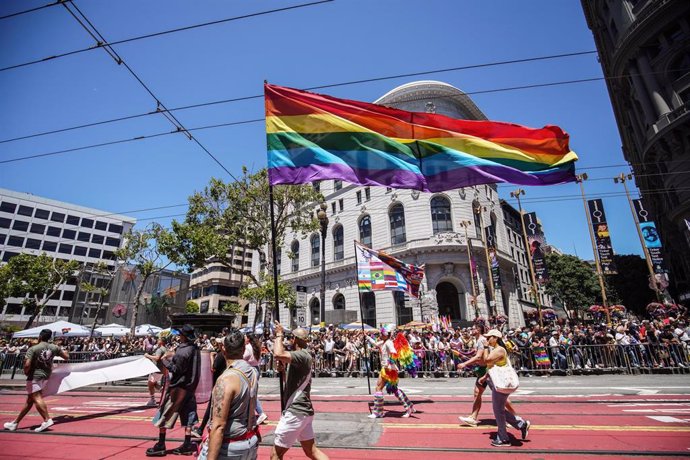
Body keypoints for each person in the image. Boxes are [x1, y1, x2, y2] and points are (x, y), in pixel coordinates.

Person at [198, 328, 260, 460]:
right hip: (249, 442)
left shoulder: (225, 380)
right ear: (243, 350)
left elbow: (219, 426)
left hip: (229, 446)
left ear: (223, 350)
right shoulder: (253, 373)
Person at [271, 321, 328, 460]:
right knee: (311, 452)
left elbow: (278, 353)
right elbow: (291, 383)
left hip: (296, 411)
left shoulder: (302, 355)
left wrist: (279, 334)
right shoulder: (299, 357)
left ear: (295, 339)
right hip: (303, 411)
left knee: (276, 454)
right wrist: (284, 372)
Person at [147, 324, 201, 457]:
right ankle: (187, 444)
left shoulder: (183, 352)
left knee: (165, 414)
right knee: (189, 415)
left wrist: (164, 360)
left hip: (178, 388)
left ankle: (161, 444)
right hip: (190, 387)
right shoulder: (194, 349)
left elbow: (176, 369)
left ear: (183, 336)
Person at [3, 329, 69, 433]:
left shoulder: (33, 349)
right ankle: (15, 423)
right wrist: (61, 347)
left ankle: (47, 419)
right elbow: (66, 357)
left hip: (34, 376)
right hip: (46, 376)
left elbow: (27, 364)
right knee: (30, 400)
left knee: (36, 397)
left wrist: (26, 371)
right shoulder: (54, 347)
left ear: (40, 336)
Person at [457, 322, 519, 427]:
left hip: (487, 370)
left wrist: (464, 364)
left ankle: (515, 418)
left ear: (479, 330)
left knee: (501, 396)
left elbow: (479, 357)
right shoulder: (478, 340)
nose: (471, 330)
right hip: (482, 370)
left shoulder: (481, 340)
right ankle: (473, 417)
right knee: (477, 393)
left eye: (474, 328)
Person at [482, 329, 530, 447]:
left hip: (502, 384)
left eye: (489, 338)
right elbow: (492, 366)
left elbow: (486, 360)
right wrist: (485, 377)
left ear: (496, 338)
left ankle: (503, 438)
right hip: (498, 383)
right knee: (500, 410)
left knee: (498, 411)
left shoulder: (499, 350)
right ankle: (521, 424)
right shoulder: (496, 350)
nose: (487, 340)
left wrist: (485, 348)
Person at [366, 324, 415, 419]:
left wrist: (390, 361)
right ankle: (409, 406)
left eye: (381, 333)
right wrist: (367, 337)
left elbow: (394, 352)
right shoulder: (383, 342)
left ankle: (378, 412)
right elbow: (375, 344)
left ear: (386, 334)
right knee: (393, 390)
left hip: (388, 369)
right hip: (387, 369)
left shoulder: (388, 342)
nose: (380, 334)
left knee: (379, 388)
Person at [193, 336, 228, 438]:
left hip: (217, 385)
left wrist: (211, 357)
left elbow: (214, 368)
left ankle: (201, 430)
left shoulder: (221, 356)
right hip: (222, 384)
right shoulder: (227, 356)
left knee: (211, 408)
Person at [243, 334, 268, 425]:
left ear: (248, 339)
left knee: (251, 393)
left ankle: (260, 413)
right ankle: (252, 413)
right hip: (255, 368)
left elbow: (243, 357)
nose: (244, 338)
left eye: (245, 337)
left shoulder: (248, 347)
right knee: (251, 392)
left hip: (251, 370)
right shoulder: (255, 347)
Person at [145, 335, 170, 407]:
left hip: (156, 369)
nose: (157, 340)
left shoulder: (160, 349)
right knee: (153, 383)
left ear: (161, 342)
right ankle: (163, 390)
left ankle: (153, 400)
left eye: (159, 340)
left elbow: (157, 358)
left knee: (150, 384)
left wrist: (148, 356)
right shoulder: (165, 349)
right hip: (161, 370)